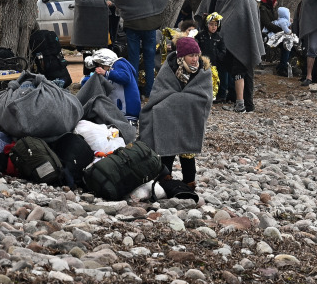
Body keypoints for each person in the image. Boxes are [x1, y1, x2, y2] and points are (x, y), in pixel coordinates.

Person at [139, 36, 213, 189]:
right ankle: (165, 180)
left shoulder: (203, 71)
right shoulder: (169, 69)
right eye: (191, 55)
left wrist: (175, 101)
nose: (195, 59)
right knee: (168, 146)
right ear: (181, 56)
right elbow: (159, 93)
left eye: (196, 55)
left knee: (187, 151)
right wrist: (178, 101)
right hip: (170, 118)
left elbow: (204, 97)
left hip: (190, 118)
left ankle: (189, 183)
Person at [114, 0, 170, 97]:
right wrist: (153, 10)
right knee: (150, 59)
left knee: (132, 58)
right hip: (151, 25)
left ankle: (133, 90)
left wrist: (130, 10)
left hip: (132, 25)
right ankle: (149, 91)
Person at [217, 0, 263, 112]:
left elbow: (227, 19)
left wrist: (217, 26)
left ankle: (240, 104)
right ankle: (249, 105)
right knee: (248, 74)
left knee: (238, 73)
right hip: (249, 41)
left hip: (238, 43)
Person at [81, 48, 141, 121]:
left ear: (106, 62)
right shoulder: (112, 70)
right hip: (121, 111)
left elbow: (125, 78)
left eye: (101, 65)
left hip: (128, 111)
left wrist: (106, 73)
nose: (101, 68)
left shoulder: (119, 63)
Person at [196, 12, 229, 104]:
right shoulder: (201, 35)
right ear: (207, 24)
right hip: (203, 63)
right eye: (211, 24)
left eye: (216, 25)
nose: (214, 27)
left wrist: (218, 55)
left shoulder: (218, 37)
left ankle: (216, 96)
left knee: (214, 80)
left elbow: (223, 50)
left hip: (215, 63)